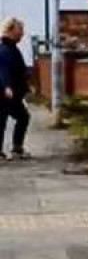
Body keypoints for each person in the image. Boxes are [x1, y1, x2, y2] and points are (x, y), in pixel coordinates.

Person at [0, 17, 31, 160]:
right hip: (6, 93)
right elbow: (3, 69)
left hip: (12, 93)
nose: (22, 33)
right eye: (20, 30)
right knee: (4, 120)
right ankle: (16, 149)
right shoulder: (5, 49)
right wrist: (6, 86)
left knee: (22, 117)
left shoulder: (11, 47)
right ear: (11, 30)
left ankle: (17, 148)